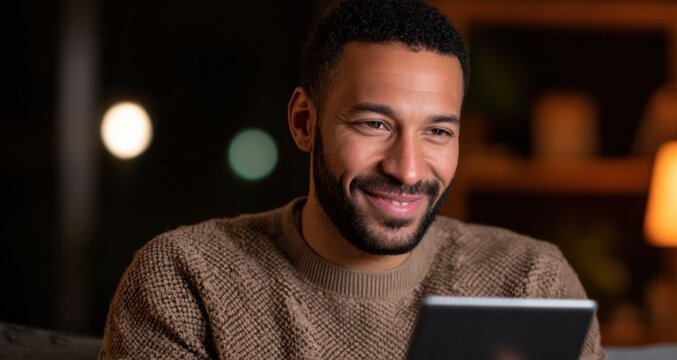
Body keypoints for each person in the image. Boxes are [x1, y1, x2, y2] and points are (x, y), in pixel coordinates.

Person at [100, 0, 606, 359]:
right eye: (374, 124)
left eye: (437, 131)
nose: (407, 169)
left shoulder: (528, 282)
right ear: (304, 122)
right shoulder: (188, 280)